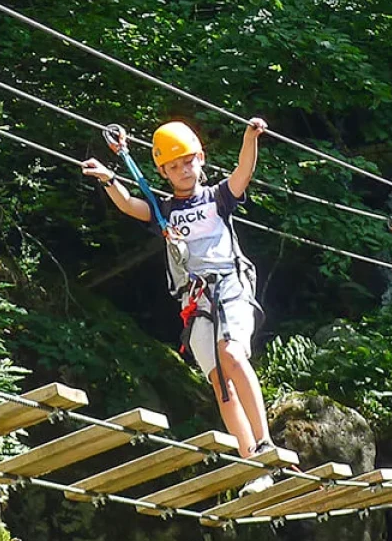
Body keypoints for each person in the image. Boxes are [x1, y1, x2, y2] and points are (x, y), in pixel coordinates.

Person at [82, 118, 280, 482]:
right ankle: (253, 462)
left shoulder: (218, 197)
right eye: (174, 166)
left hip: (229, 286)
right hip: (195, 302)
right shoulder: (164, 210)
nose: (183, 170)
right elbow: (129, 205)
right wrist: (109, 178)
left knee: (233, 355)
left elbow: (242, 172)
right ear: (163, 172)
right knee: (221, 383)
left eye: (188, 161)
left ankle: (266, 441)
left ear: (201, 159)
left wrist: (250, 137)